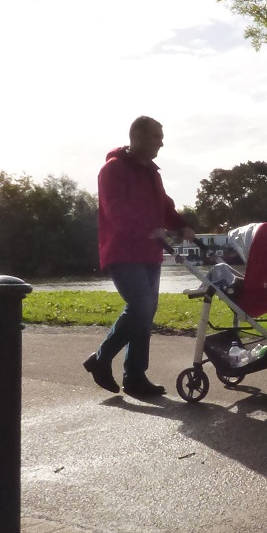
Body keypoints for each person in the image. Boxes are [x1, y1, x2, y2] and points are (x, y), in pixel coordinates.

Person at [83, 116, 196, 398]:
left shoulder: (152, 173)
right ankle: (103, 358)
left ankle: (133, 376)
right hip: (123, 251)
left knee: (145, 312)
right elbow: (115, 210)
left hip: (150, 253)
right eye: (157, 136)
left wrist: (180, 224)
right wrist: (146, 229)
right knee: (142, 305)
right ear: (139, 137)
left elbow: (164, 206)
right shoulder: (113, 170)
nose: (161, 142)